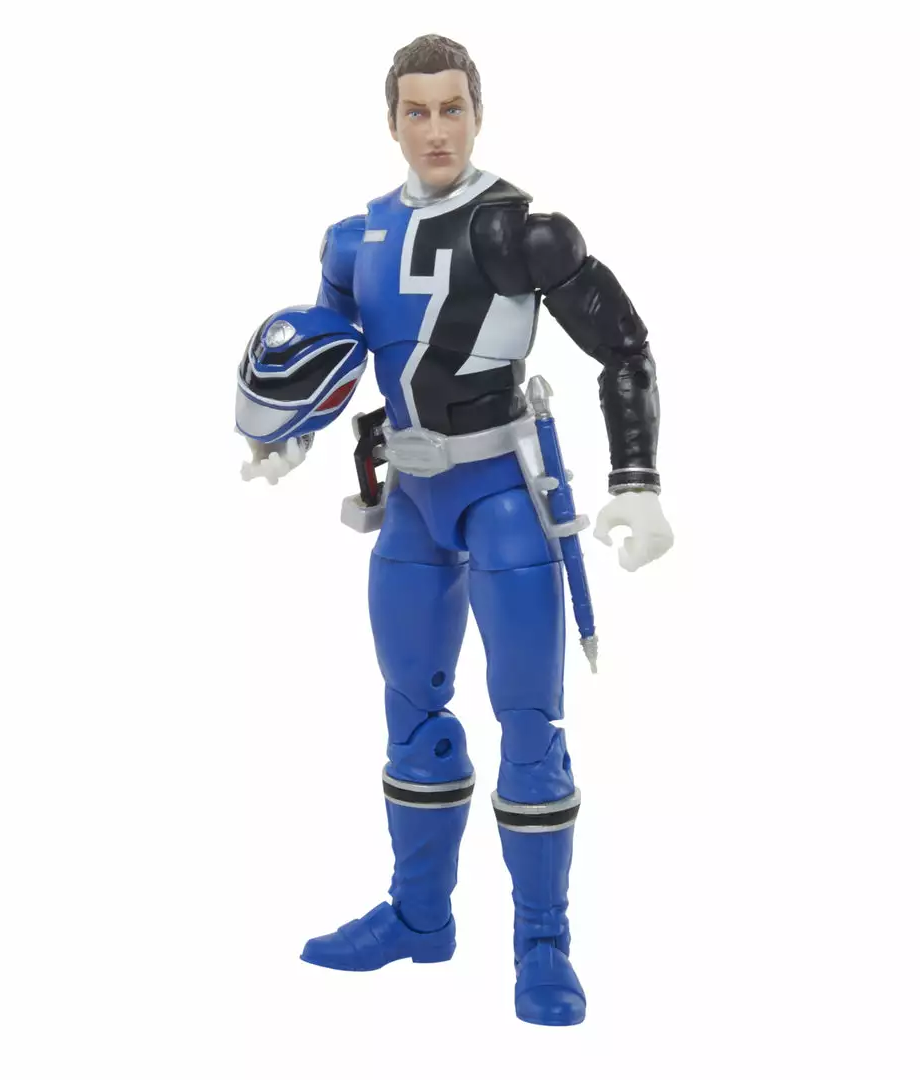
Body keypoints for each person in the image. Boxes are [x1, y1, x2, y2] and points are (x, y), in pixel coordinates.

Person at [243, 33, 673, 1026]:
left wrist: (638, 481)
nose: (436, 129)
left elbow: (624, 348)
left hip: (501, 494)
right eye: (417, 110)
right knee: (413, 716)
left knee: (530, 726)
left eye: (452, 108)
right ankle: (418, 916)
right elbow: (329, 357)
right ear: (391, 121)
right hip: (409, 500)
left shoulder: (522, 231)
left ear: (478, 114)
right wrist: (289, 435)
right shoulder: (353, 240)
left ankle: (542, 943)